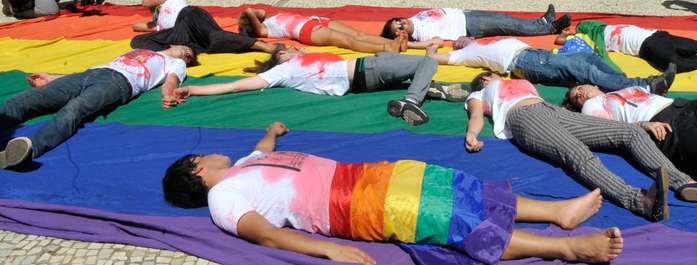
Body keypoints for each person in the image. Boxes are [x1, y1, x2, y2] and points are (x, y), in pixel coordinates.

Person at [163, 123, 625, 265]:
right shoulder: (221, 201)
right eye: (203, 155)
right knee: (447, 219)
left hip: (362, 175)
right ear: (196, 168)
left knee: (455, 187)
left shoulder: (243, 166)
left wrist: (271, 132)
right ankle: (565, 247)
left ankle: (558, 211)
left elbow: (262, 151)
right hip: (347, 204)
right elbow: (264, 235)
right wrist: (330, 249)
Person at [464, 75, 697, 221]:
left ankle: (685, 183)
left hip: (551, 112)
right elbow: (477, 115)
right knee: (578, 155)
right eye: (488, 74)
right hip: (525, 118)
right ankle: (640, 201)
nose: (494, 74)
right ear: (484, 80)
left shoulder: (517, 81)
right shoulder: (479, 93)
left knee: (630, 132)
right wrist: (472, 135)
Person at [0, 46, 193, 168]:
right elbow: (105, 66)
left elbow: (172, 79)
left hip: (120, 83)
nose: (186, 53)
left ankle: (27, 150)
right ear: (173, 44)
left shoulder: (175, 63)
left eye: (189, 56)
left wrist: (168, 93)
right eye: (186, 49)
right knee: (23, 100)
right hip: (91, 74)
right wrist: (53, 77)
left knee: (74, 110)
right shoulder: (143, 50)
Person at [565, 84, 697, 191]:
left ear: (594, 85)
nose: (578, 93)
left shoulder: (621, 88)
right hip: (667, 129)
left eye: (579, 87)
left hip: (688, 107)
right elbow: (606, 129)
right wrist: (642, 125)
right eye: (575, 96)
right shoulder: (591, 106)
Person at [170, 47, 457, 125]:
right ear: (280, 58)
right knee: (428, 62)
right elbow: (235, 86)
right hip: (366, 67)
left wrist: (193, 90)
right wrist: (195, 89)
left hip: (363, 80)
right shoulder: (283, 70)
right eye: (288, 49)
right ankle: (413, 100)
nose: (295, 48)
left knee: (418, 68)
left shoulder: (289, 69)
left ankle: (428, 90)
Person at [426, 36, 675, 94]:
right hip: (524, 63)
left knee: (590, 59)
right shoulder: (465, 54)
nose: (461, 39)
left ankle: (624, 85)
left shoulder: (482, 40)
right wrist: (432, 45)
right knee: (584, 71)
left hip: (534, 54)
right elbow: (432, 58)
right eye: (457, 41)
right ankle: (644, 87)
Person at [556, 20, 697, 74]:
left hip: (648, 44)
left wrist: (566, 35)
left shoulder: (593, 36)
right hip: (657, 35)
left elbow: (562, 43)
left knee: (672, 65)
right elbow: (565, 40)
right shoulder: (603, 29)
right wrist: (568, 34)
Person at [380, 5, 571, 47]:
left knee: (506, 18)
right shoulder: (421, 34)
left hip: (466, 15)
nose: (401, 24)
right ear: (401, 35)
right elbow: (437, 42)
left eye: (398, 22)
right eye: (399, 29)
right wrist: (409, 44)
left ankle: (542, 22)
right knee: (508, 24)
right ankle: (549, 27)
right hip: (469, 25)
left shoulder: (414, 18)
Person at [238, 8, 404, 54]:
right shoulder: (264, 30)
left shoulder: (269, 19)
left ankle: (394, 43)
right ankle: (386, 48)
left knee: (359, 34)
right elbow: (249, 10)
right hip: (306, 31)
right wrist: (245, 20)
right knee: (349, 41)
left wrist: (248, 19)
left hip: (315, 21)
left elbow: (259, 12)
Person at [131, 6, 276, 55]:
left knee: (216, 39)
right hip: (198, 42)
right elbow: (136, 31)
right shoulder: (196, 49)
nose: (185, 55)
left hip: (191, 17)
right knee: (223, 44)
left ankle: (260, 43)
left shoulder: (169, 36)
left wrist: (167, 51)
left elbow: (137, 39)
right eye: (186, 57)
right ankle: (247, 21)